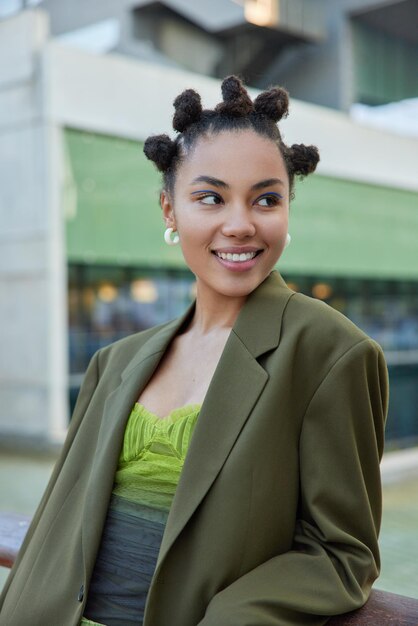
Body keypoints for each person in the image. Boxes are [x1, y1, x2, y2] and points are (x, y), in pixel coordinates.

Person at [0, 76, 388, 626]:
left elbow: (344, 555)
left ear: (287, 208)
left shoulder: (332, 353)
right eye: (210, 197)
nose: (239, 224)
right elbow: (55, 526)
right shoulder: (113, 364)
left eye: (266, 199)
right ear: (169, 209)